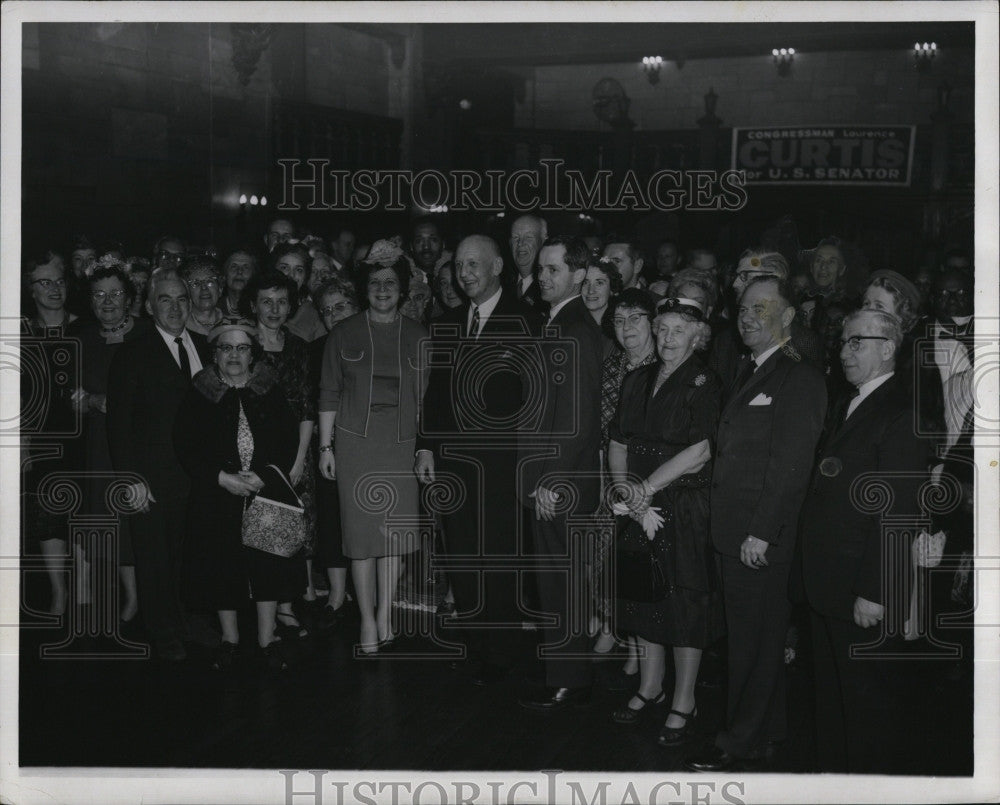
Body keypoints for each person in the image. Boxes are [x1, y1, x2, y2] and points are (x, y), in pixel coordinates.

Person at [685, 276, 826, 772]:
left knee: (753, 645)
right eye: (743, 307)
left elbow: (791, 467)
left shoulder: (799, 377)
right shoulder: (752, 368)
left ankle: (737, 741)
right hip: (737, 533)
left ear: (788, 317)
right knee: (758, 642)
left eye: (761, 308)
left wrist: (761, 532)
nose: (747, 316)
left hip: (758, 539)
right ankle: (767, 733)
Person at [800, 310, 927, 772]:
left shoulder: (899, 413)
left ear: (888, 347)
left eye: (857, 342)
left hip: (860, 589)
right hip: (829, 583)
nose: (844, 351)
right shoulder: (849, 402)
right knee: (833, 705)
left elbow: (899, 513)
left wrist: (875, 592)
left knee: (866, 712)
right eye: (843, 342)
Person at [415, 234, 539, 684]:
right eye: (460, 265)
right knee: (463, 557)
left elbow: (536, 402)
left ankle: (501, 652)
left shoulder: (526, 321)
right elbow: (435, 394)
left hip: (503, 468)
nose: (465, 273)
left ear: (497, 266)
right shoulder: (446, 322)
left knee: (500, 560)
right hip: (452, 467)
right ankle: (476, 643)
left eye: (474, 265)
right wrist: (425, 446)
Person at [607, 297, 724, 744]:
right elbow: (618, 439)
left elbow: (700, 451)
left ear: (698, 337)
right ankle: (650, 687)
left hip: (681, 503)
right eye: (663, 329)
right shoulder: (637, 379)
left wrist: (646, 490)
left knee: (683, 602)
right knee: (642, 593)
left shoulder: (705, 382)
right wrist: (624, 489)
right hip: (637, 500)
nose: (668, 338)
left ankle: (684, 699)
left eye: (680, 330)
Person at [173, 318, 303, 672]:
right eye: (226, 348)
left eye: (242, 348)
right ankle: (229, 640)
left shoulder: (268, 389)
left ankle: (267, 638)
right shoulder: (200, 392)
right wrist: (219, 478)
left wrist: (263, 476)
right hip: (218, 494)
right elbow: (185, 446)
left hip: (265, 492)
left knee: (267, 565)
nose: (234, 355)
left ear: (253, 353)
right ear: (214, 354)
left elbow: (287, 437)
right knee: (220, 564)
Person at [318, 256, 427, 652]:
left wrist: (424, 450)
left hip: (401, 448)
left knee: (393, 539)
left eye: (390, 283)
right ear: (365, 289)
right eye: (376, 283)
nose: (383, 289)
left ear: (402, 289)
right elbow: (328, 392)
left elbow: (428, 401)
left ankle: (385, 615)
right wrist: (325, 447)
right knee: (362, 541)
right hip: (355, 447)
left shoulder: (418, 335)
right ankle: (365, 620)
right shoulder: (343, 333)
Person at [106, 269, 212, 660]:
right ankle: (162, 631)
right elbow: (117, 425)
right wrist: (131, 478)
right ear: (149, 307)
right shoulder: (132, 353)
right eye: (165, 299)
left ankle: (187, 621)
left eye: (181, 298)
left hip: (199, 477)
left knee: (190, 554)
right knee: (155, 557)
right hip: (152, 476)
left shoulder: (205, 346)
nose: (174, 307)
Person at [517, 236, 603, 710]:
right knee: (554, 581)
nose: (543, 277)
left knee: (562, 582)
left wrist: (550, 481)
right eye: (542, 269)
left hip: (560, 485)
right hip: (549, 479)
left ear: (577, 276)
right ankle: (564, 672)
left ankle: (570, 678)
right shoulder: (557, 324)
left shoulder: (575, 329)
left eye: (553, 270)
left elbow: (579, 418)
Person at [73, 262, 153, 624]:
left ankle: (138, 598)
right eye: (99, 294)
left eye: (116, 293)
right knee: (104, 516)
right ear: (90, 300)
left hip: (140, 442)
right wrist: (91, 400)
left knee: (135, 515)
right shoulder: (81, 338)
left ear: (130, 297)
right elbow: (67, 394)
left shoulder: (148, 335)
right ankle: (102, 596)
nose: (108, 301)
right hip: (98, 444)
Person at [243, 270, 315, 635]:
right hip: (249, 453)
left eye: (282, 301)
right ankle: (257, 614)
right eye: (266, 301)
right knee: (255, 534)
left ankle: (286, 607)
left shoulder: (300, 347)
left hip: (292, 456)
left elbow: (306, 408)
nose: (274, 309)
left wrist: (300, 460)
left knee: (288, 532)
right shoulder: (241, 345)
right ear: (253, 304)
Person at [593, 289, 659, 659]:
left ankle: (639, 647)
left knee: (639, 563)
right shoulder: (610, 366)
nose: (626, 327)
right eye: (619, 320)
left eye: (635, 318)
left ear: (651, 321)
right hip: (607, 475)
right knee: (605, 559)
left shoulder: (665, 365)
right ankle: (614, 628)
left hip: (651, 478)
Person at [21, 250, 79, 616]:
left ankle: (87, 589)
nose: (54, 289)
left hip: (87, 430)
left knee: (87, 506)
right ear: (30, 289)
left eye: (59, 281)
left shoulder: (84, 326)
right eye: (44, 282)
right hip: (42, 436)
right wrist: (24, 442)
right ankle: (59, 591)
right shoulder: (21, 331)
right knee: (47, 513)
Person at [309, 278, 359, 625]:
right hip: (329, 446)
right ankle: (338, 594)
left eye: (340, 306)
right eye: (326, 311)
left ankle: (365, 589)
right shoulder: (316, 350)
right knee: (331, 517)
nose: (333, 316)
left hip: (371, 446)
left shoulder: (376, 341)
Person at [707, 249, 823, 387]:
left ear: (775, 278)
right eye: (736, 276)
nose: (735, 284)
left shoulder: (803, 343)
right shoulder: (724, 342)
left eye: (745, 276)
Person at [273, 242, 326, 343]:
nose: (291, 275)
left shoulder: (314, 314)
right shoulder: (259, 303)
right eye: (284, 267)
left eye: (299, 270)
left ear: (305, 276)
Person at [508, 214, 547, 308]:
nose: (520, 243)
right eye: (515, 237)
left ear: (543, 242)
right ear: (510, 243)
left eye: (528, 237)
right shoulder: (501, 286)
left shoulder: (548, 287)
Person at [181, 255, 224, 336]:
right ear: (187, 291)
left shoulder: (233, 325)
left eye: (210, 281)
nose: (204, 288)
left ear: (220, 289)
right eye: (195, 283)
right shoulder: (179, 325)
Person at [581, 257, 623, 329]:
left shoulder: (621, 326)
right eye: (585, 282)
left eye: (599, 283)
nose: (591, 290)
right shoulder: (568, 323)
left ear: (612, 289)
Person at [220, 248, 259, 317]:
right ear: (225, 275)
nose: (239, 271)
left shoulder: (260, 309)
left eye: (246, 267)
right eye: (234, 266)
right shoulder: (214, 308)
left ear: (253, 275)